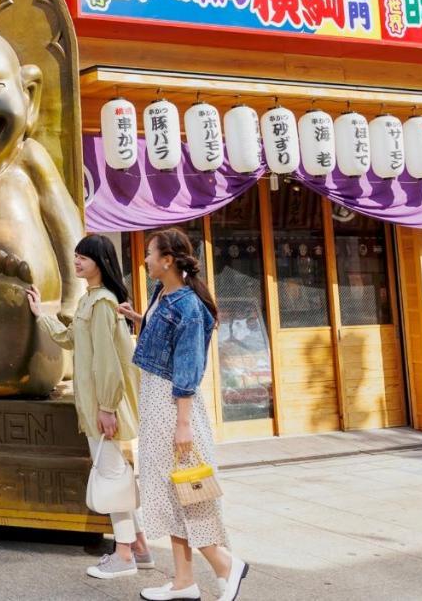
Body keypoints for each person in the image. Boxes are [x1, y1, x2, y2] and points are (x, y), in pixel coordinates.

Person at [117, 228, 248, 601]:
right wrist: (139, 318)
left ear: (167, 260)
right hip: (157, 402)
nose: (144, 260)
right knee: (169, 491)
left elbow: (187, 369)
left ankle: (225, 564)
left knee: (188, 492)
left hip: (173, 405)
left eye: (150, 254)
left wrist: (183, 424)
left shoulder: (189, 306)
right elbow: (165, 338)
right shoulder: (164, 294)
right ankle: (184, 582)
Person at [27, 234, 152, 580]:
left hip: (100, 406)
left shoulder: (101, 304)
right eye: (76, 256)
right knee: (116, 473)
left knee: (113, 476)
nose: (77, 261)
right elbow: (70, 340)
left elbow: (107, 362)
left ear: (101, 262)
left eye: (84, 257)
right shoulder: (90, 301)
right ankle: (139, 547)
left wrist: (108, 407)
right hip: (95, 404)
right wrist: (42, 314)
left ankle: (124, 555)